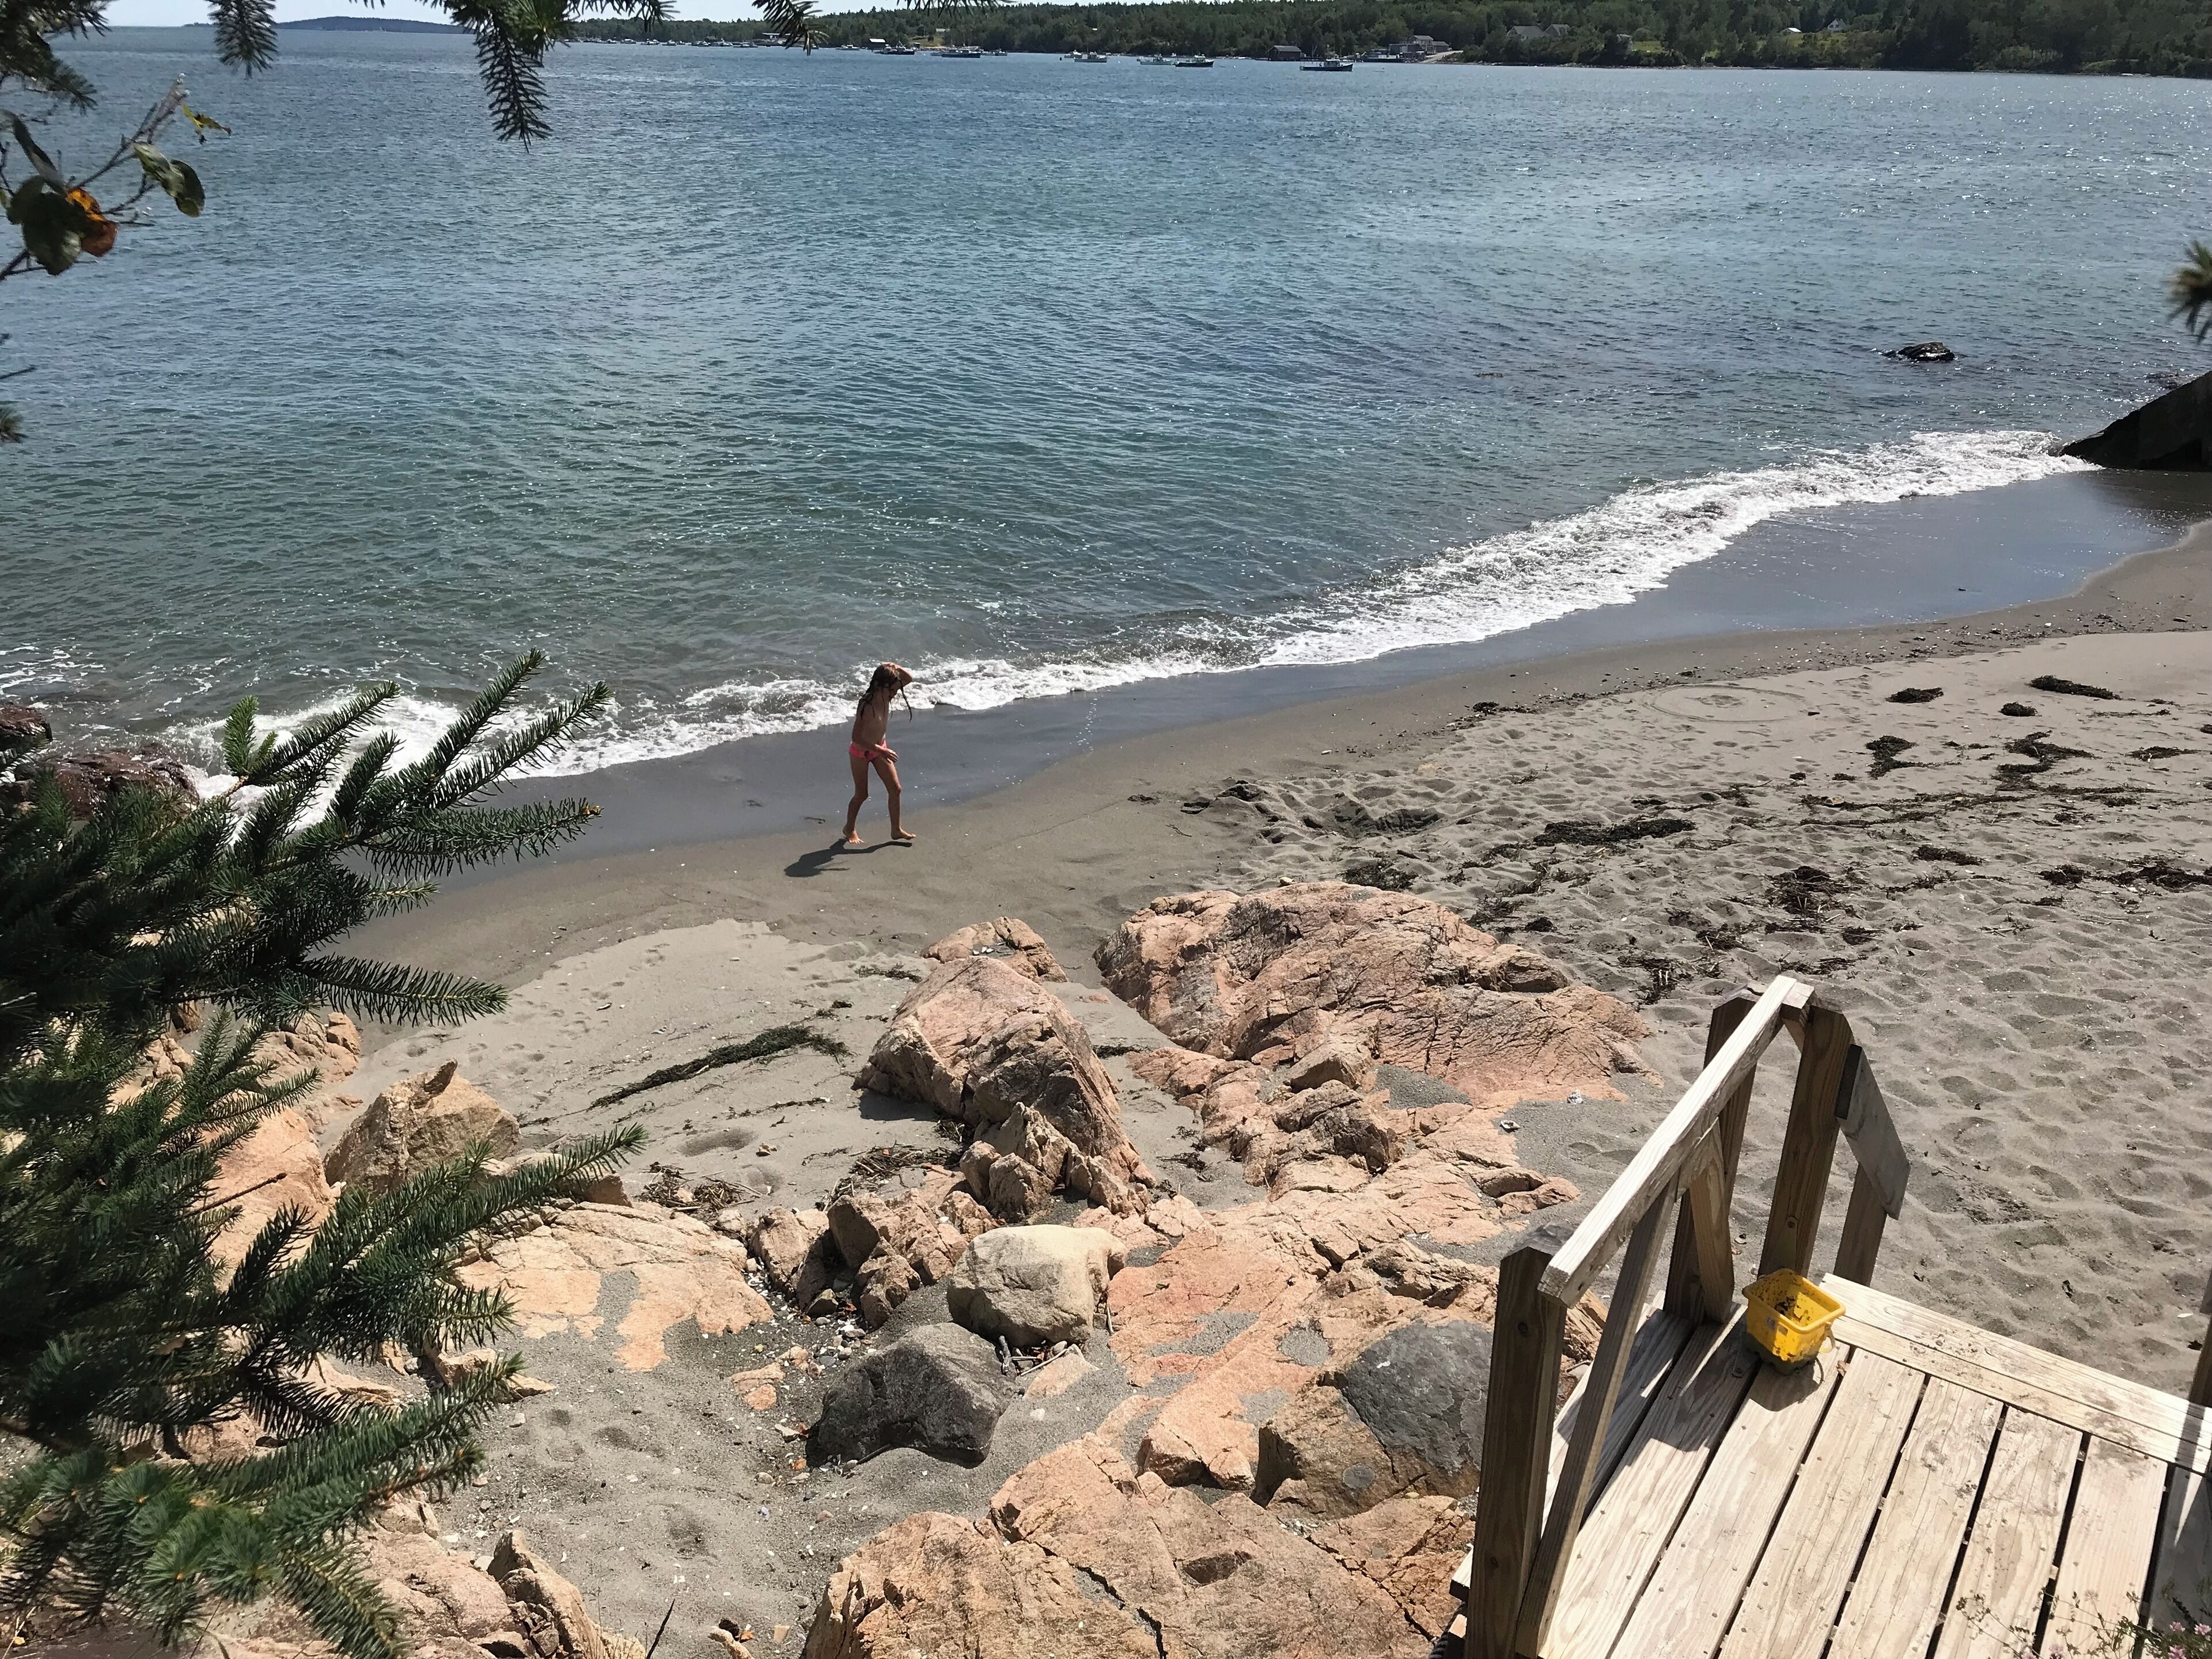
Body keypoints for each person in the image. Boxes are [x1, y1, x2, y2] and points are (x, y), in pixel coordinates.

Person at [842, 661, 916, 846]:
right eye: (892, 688)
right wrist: (880, 750)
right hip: (861, 752)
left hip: (879, 748)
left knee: (895, 789)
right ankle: (849, 828)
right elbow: (856, 737)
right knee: (862, 794)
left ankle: (896, 830)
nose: (896, 692)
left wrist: (894, 666)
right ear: (881, 686)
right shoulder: (866, 705)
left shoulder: (887, 697)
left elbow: (909, 678)